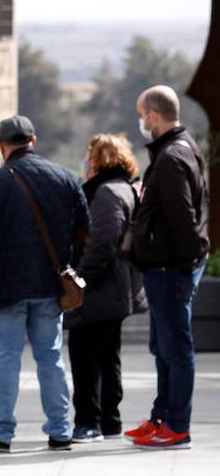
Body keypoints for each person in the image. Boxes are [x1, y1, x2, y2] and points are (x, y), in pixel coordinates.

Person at [0, 115, 89, 453]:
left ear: (2, 147)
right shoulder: (65, 178)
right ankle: (61, 429)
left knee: (6, 359)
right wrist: (64, 260)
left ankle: (2, 432)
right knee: (50, 358)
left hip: (5, 286)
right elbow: (83, 232)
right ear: (33, 141)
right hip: (50, 284)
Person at [127, 86, 210, 450]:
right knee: (162, 347)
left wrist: (183, 265)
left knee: (176, 349)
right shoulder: (180, 149)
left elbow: (183, 220)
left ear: (154, 116)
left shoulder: (172, 157)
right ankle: (161, 416)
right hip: (164, 268)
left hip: (169, 270)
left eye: (142, 114)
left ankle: (177, 425)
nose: (141, 122)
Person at [66, 134, 147, 443]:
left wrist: (80, 278)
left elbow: (102, 241)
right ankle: (110, 421)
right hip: (117, 286)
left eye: (90, 154)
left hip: (100, 288)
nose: (86, 160)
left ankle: (88, 422)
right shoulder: (124, 188)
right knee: (107, 356)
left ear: (99, 158)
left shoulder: (106, 193)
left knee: (85, 356)